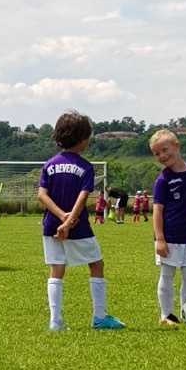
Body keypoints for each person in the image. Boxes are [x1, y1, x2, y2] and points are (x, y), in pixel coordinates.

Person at [37, 110, 125, 332]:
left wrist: (61, 216)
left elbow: (41, 195)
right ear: (82, 139)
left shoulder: (49, 164)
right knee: (96, 265)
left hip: (51, 224)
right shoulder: (85, 167)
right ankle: (99, 318)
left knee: (56, 269)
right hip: (77, 226)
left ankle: (55, 321)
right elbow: (83, 197)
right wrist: (68, 221)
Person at [149, 129, 186, 326]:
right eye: (156, 153)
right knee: (167, 274)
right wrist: (160, 239)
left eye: (164, 150)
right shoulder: (163, 180)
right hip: (169, 236)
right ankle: (166, 315)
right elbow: (157, 210)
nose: (162, 156)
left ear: (177, 146)